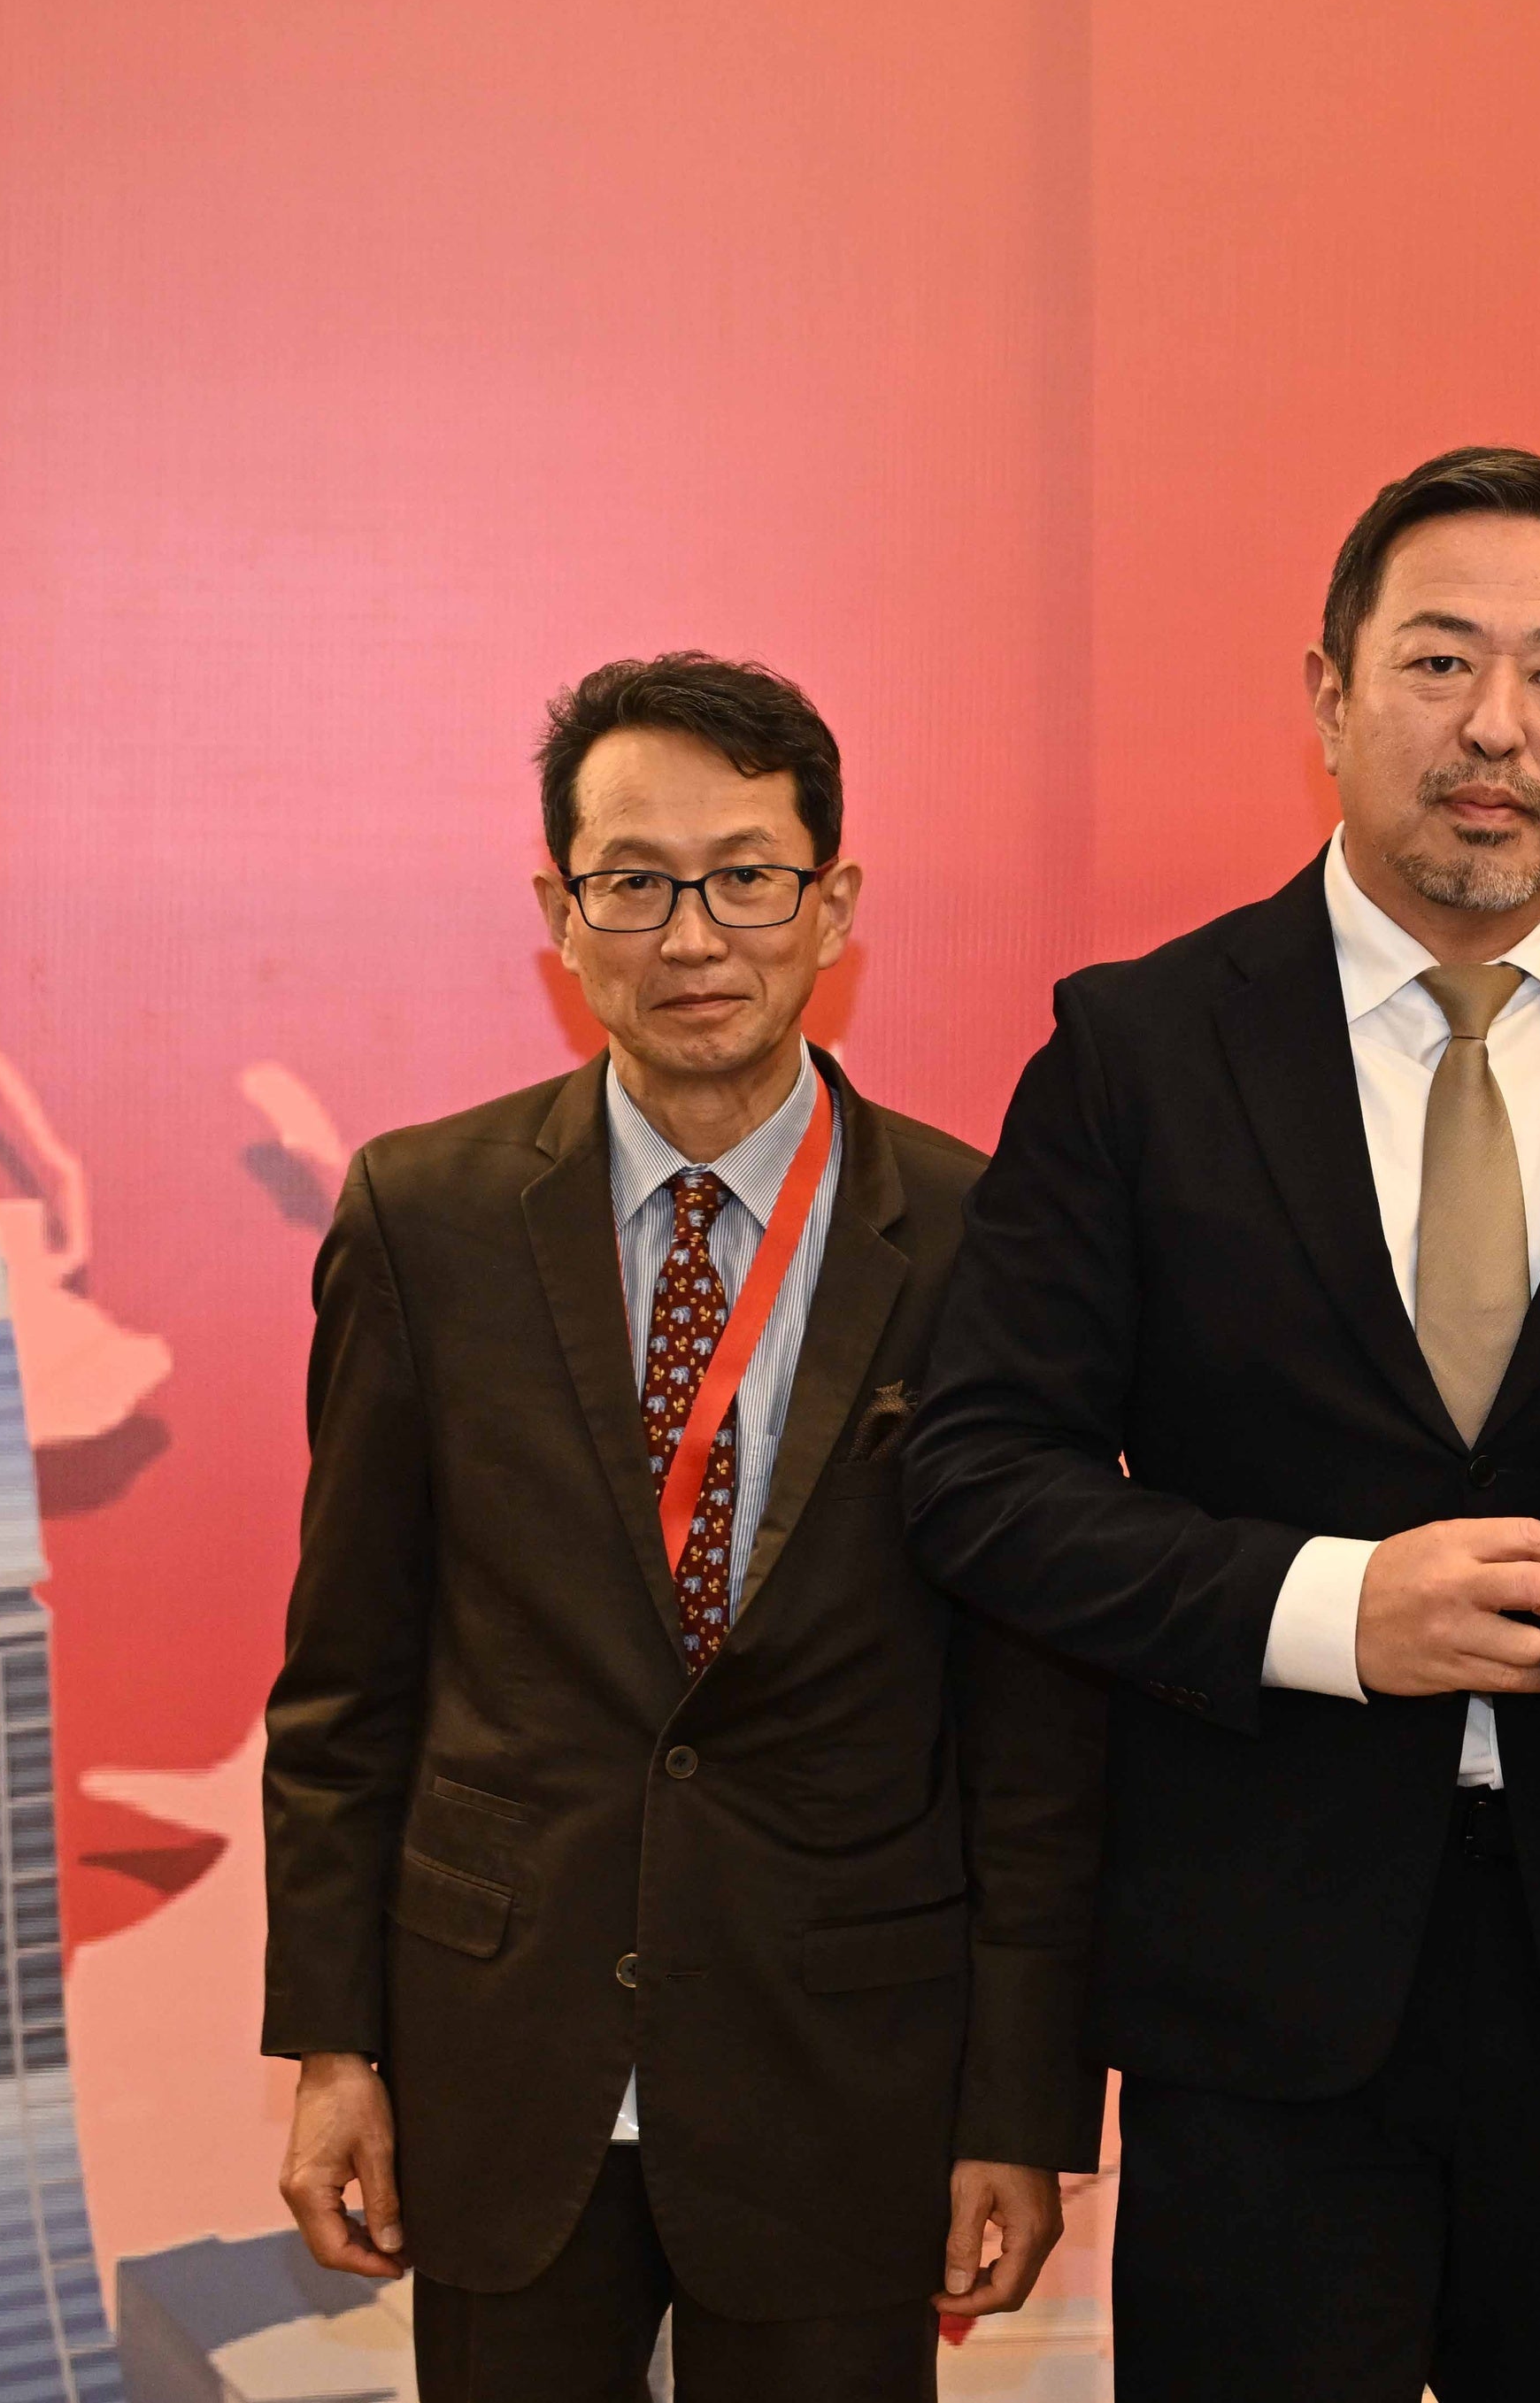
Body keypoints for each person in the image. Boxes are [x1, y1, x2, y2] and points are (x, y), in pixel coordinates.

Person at [902, 446, 1540, 2403]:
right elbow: (976, 1474)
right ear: (1330, 691)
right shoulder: (1142, 1044)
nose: (1496, 726)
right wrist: (1331, 1607)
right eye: (1441, 660)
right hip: (1263, 2009)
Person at [260, 653, 1105, 2401]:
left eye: (747, 877)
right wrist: (333, 2046)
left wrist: (1019, 2106)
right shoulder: (424, 1219)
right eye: (634, 883)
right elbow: (349, 1682)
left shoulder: (978, 1237)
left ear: (833, 907)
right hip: (501, 2060)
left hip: (844, 2067)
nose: (695, 934)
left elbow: (1030, 1725)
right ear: (560, 917)